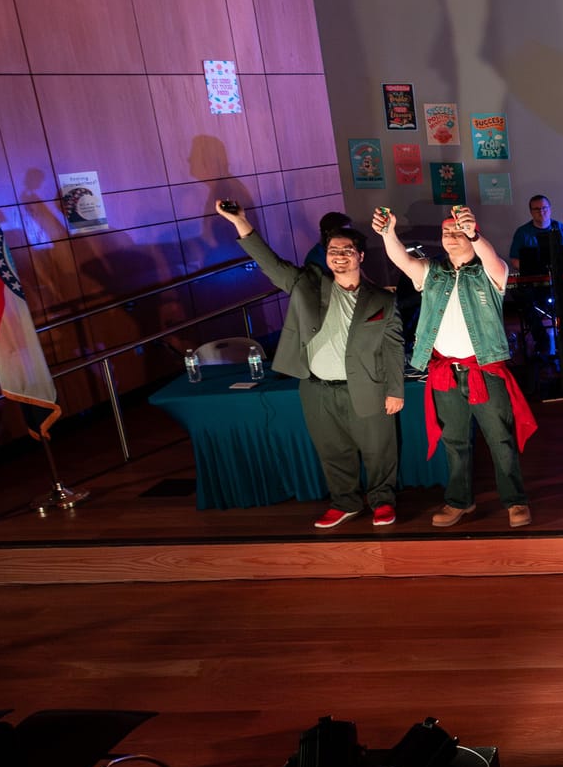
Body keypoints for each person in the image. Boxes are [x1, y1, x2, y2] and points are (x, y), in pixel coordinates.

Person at [215, 202, 403, 528]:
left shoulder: (382, 299)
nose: (339, 256)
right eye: (333, 250)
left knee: (379, 449)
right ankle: (345, 502)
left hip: (367, 387)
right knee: (332, 450)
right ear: (325, 255)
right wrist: (241, 223)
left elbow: (393, 347)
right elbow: (271, 264)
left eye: (347, 250)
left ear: (360, 256)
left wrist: (395, 390)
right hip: (317, 389)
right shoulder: (308, 284)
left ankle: (382, 501)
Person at [375, 203, 537, 527]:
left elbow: (490, 258)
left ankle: (515, 501)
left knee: (500, 440)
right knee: (454, 441)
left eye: (457, 231)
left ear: (472, 233)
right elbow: (402, 260)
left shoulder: (490, 271)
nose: (451, 236)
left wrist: (474, 234)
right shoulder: (432, 272)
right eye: (446, 232)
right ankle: (460, 501)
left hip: (484, 371)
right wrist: (387, 233)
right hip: (445, 373)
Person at [508, 194, 563, 378]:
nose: (541, 212)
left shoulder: (562, 229)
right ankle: (541, 340)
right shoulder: (522, 233)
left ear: (550, 209)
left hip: (561, 281)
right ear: (531, 212)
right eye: (537, 209)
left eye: (544, 208)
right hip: (535, 282)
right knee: (523, 298)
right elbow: (514, 260)